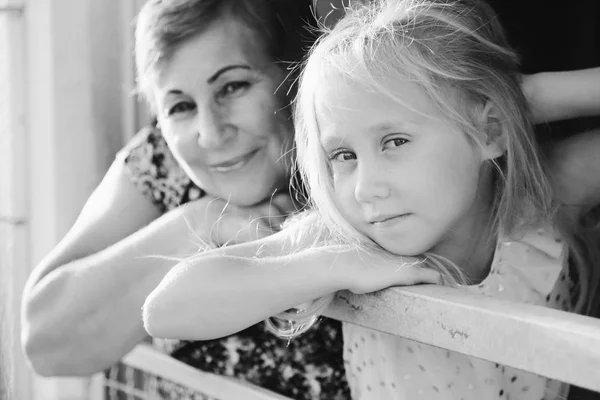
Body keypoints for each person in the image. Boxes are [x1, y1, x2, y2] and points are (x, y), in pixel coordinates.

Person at [142, 0, 600, 399]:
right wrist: (337, 266)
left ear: (489, 131)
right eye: (343, 154)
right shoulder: (348, 236)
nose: (365, 187)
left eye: (395, 142)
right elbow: (165, 310)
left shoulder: (535, 202)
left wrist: (523, 97)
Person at [21, 1, 351, 399]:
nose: (210, 135)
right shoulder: (164, 161)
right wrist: (199, 223)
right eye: (180, 106)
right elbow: (44, 343)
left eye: (233, 86)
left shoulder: (357, 157)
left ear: (295, 74)